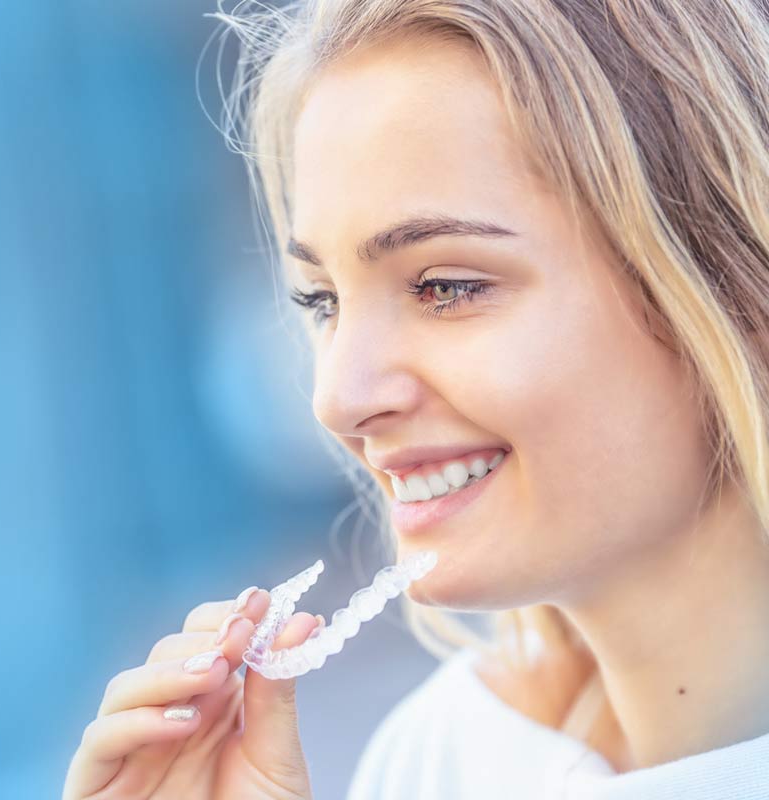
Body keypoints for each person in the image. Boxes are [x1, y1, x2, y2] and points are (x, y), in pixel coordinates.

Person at [62, 1, 769, 797]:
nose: (337, 399)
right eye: (322, 301)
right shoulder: (442, 759)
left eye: (447, 286)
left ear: (731, 288)